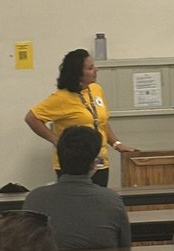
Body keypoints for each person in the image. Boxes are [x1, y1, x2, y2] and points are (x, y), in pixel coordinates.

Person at [23, 126, 131, 251]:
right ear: (94, 163)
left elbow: (26, 249)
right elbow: (125, 250)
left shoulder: (35, 198)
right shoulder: (111, 200)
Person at [25, 48, 137, 186]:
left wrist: (117, 144)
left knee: (98, 201)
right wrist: (56, 140)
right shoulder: (61, 98)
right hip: (72, 165)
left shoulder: (96, 89)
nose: (95, 70)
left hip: (100, 162)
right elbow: (32, 118)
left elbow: (101, 121)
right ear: (77, 73)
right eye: (90, 68)